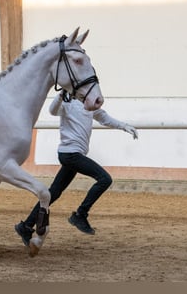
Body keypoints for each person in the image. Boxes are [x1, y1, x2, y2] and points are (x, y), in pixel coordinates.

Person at [15, 92, 138, 246]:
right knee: (105, 179)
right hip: (70, 154)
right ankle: (80, 214)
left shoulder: (89, 105)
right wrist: (60, 96)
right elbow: (52, 111)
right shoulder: (67, 104)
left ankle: (26, 226)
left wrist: (124, 126)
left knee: (53, 193)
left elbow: (105, 118)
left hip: (74, 155)